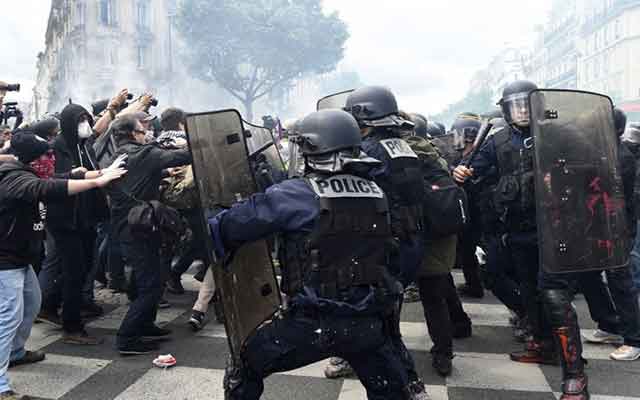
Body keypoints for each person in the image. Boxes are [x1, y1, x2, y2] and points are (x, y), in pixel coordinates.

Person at [209, 109, 413, 400]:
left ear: (311, 148)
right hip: (369, 322)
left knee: (244, 364)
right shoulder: (377, 191)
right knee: (392, 392)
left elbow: (228, 228)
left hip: (312, 324)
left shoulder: (294, 193)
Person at [453, 80, 591, 400]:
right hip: (516, 230)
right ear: (505, 109)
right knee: (530, 293)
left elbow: (590, 175)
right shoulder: (497, 141)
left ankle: (575, 374)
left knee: (554, 295)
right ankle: (542, 345)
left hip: (555, 229)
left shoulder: (560, 134)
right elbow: (477, 175)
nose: (521, 112)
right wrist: (461, 173)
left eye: (525, 104)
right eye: (514, 106)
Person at [320, 87, 428, 399]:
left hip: (384, 246)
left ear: (361, 117)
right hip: (409, 241)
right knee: (385, 314)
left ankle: (409, 384)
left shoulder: (367, 150)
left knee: (380, 321)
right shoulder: (403, 146)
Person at [0, 132, 125, 400]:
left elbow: (61, 178)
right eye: (46, 155)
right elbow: (48, 189)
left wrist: (99, 172)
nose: (51, 159)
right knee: (8, 316)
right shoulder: (13, 178)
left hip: (19, 257)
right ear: (32, 159)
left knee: (32, 305)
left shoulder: (27, 171)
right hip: (4, 260)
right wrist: (99, 182)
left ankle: (15, 353)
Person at [39, 103, 123, 344]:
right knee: (75, 271)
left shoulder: (85, 146)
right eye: (80, 121)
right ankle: (72, 327)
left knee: (83, 266)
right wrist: (82, 175)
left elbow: (93, 171)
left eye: (87, 119)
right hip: (65, 220)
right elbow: (52, 180)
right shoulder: (57, 148)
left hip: (86, 217)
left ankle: (51, 303)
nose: (85, 125)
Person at [107, 115, 191, 355]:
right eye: (143, 130)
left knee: (143, 277)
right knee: (151, 284)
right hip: (141, 227)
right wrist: (202, 142)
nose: (147, 133)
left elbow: (134, 178)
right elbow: (183, 156)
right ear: (134, 134)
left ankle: (145, 324)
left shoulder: (120, 155)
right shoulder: (143, 153)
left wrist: (161, 175)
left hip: (129, 225)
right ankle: (127, 338)